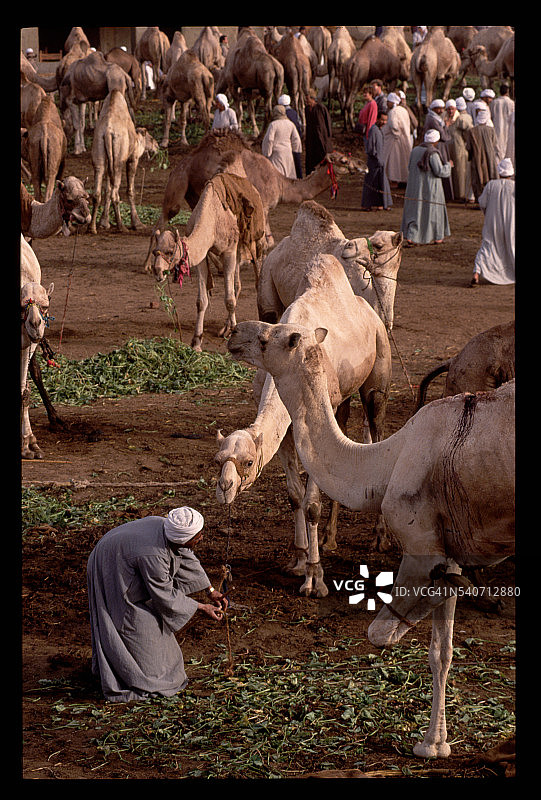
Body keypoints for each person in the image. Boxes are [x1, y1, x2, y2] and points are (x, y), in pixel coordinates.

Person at [87, 506, 228, 702]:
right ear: (182, 539)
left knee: (144, 628)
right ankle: (126, 675)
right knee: (124, 619)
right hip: (110, 565)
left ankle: (126, 665)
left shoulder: (168, 527)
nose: (202, 538)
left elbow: (187, 556)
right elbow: (164, 596)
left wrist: (211, 591)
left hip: (124, 554)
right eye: (198, 536)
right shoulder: (153, 555)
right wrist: (202, 607)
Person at [401, 129, 453, 246]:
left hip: (414, 186)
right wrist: (448, 165)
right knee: (433, 211)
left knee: (416, 211)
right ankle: (437, 236)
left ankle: (412, 236)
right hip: (430, 188)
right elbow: (440, 171)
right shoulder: (433, 153)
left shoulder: (415, 150)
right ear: (436, 141)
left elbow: (410, 166)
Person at [471, 158, 515, 287]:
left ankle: (476, 273)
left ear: (500, 172)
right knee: (512, 245)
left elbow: (483, 202)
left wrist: (488, 213)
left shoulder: (491, 185)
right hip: (510, 223)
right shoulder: (513, 187)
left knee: (487, 246)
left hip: (493, 222)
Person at [465, 107, 498, 203]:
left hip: (477, 159)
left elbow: (468, 147)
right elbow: (494, 144)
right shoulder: (491, 130)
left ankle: (480, 200)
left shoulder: (472, 131)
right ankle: (491, 199)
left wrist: (471, 156)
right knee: (491, 175)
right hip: (490, 158)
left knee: (478, 178)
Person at [423, 99, 454, 201]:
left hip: (438, 146)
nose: (441, 111)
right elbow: (444, 136)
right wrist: (447, 126)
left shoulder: (434, 117)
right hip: (437, 146)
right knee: (440, 169)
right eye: (439, 109)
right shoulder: (432, 119)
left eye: (442, 109)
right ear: (434, 108)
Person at [361, 111, 392, 211]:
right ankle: (366, 205)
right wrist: (376, 158)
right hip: (374, 162)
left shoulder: (379, 130)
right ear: (377, 119)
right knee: (371, 183)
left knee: (380, 183)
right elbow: (370, 148)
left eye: (386, 120)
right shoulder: (373, 130)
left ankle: (381, 204)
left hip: (380, 161)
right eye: (382, 120)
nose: (384, 122)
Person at [261, 104, 303, 178]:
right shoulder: (290, 124)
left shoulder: (273, 125)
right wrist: (296, 150)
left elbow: (269, 140)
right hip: (288, 152)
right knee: (289, 173)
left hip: (276, 153)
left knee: (278, 175)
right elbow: (296, 139)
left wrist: (267, 152)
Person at [448, 96, 474, 202]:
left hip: (460, 148)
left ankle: (461, 194)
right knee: (460, 171)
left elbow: (467, 133)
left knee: (460, 171)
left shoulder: (461, 119)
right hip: (459, 147)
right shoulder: (465, 117)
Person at [382, 92, 412, 186]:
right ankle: (403, 179)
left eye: (389, 101)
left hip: (395, 141)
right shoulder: (404, 110)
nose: (387, 103)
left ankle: (394, 179)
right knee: (403, 159)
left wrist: (396, 134)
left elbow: (394, 125)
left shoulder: (393, 112)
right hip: (404, 139)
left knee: (394, 161)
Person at [304, 87, 333, 175]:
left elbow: (326, 125)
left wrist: (326, 140)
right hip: (311, 141)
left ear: (312, 98)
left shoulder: (320, 108)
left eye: (307, 98)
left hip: (321, 140)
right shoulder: (307, 109)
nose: (306, 100)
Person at [278, 94, 304, 176]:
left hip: (287, 142)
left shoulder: (282, 114)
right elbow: (300, 125)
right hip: (296, 140)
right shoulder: (294, 113)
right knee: (297, 160)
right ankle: (300, 177)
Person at [490, 84, 515, 161]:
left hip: (497, 128)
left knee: (498, 149)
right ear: (507, 92)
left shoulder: (494, 102)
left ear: (499, 91)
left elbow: (491, 116)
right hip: (509, 129)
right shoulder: (511, 103)